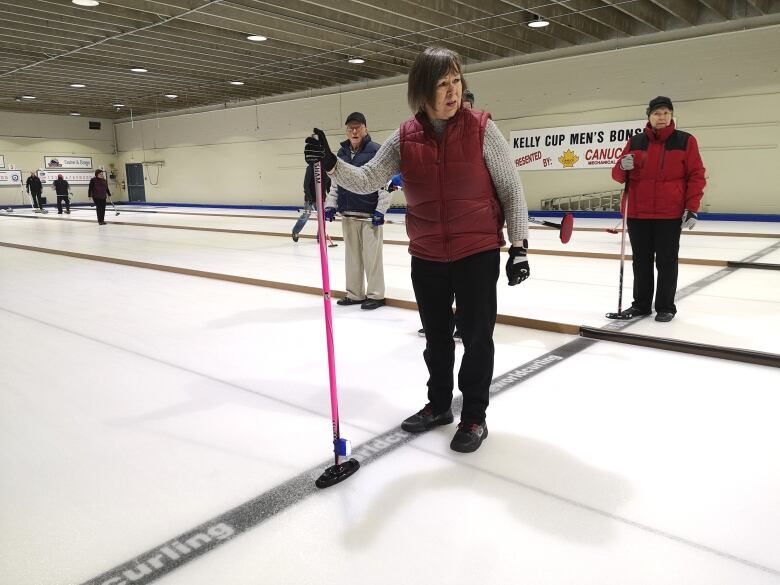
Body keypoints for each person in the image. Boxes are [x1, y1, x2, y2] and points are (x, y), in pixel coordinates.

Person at [304, 47, 530, 453]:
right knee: (437, 338)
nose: (452, 90)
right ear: (422, 93)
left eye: (456, 81)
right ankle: (439, 405)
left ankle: (474, 416)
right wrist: (333, 163)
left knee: (477, 339)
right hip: (426, 253)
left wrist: (519, 247)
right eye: (442, 83)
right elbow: (369, 177)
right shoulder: (406, 136)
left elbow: (511, 189)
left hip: (476, 250)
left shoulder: (481, 128)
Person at [611, 96, 706, 323]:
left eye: (665, 113)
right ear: (649, 117)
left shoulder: (685, 141)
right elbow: (617, 175)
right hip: (638, 213)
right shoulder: (635, 142)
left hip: (669, 214)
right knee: (641, 261)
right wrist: (621, 166)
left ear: (672, 116)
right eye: (656, 113)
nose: (661, 117)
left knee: (666, 261)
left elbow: (696, 176)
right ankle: (641, 305)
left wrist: (691, 208)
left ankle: (665, 306)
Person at [324, 112, 389, 310]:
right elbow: (335, 182)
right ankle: (354, 294)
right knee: (351, 258)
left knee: (372, 258)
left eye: (358, 127)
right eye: (350, 128)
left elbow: (384, 183)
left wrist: (381, 210)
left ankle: (376, 295)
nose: (354, 131)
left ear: (365, 129)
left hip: (369, 216)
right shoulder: (341, 154)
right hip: (348, 214)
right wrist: (331, 204)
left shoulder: (376, 151)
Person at [292, 163, 332, 242]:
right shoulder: (310, 168)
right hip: (310, 198)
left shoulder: (325, 168)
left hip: (321, 199)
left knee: (322, 218)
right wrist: (309, 197)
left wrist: (330, 194)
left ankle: (319, 236)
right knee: (306, 215)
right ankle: (295, 231)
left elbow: (328, 183)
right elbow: (306, 184)